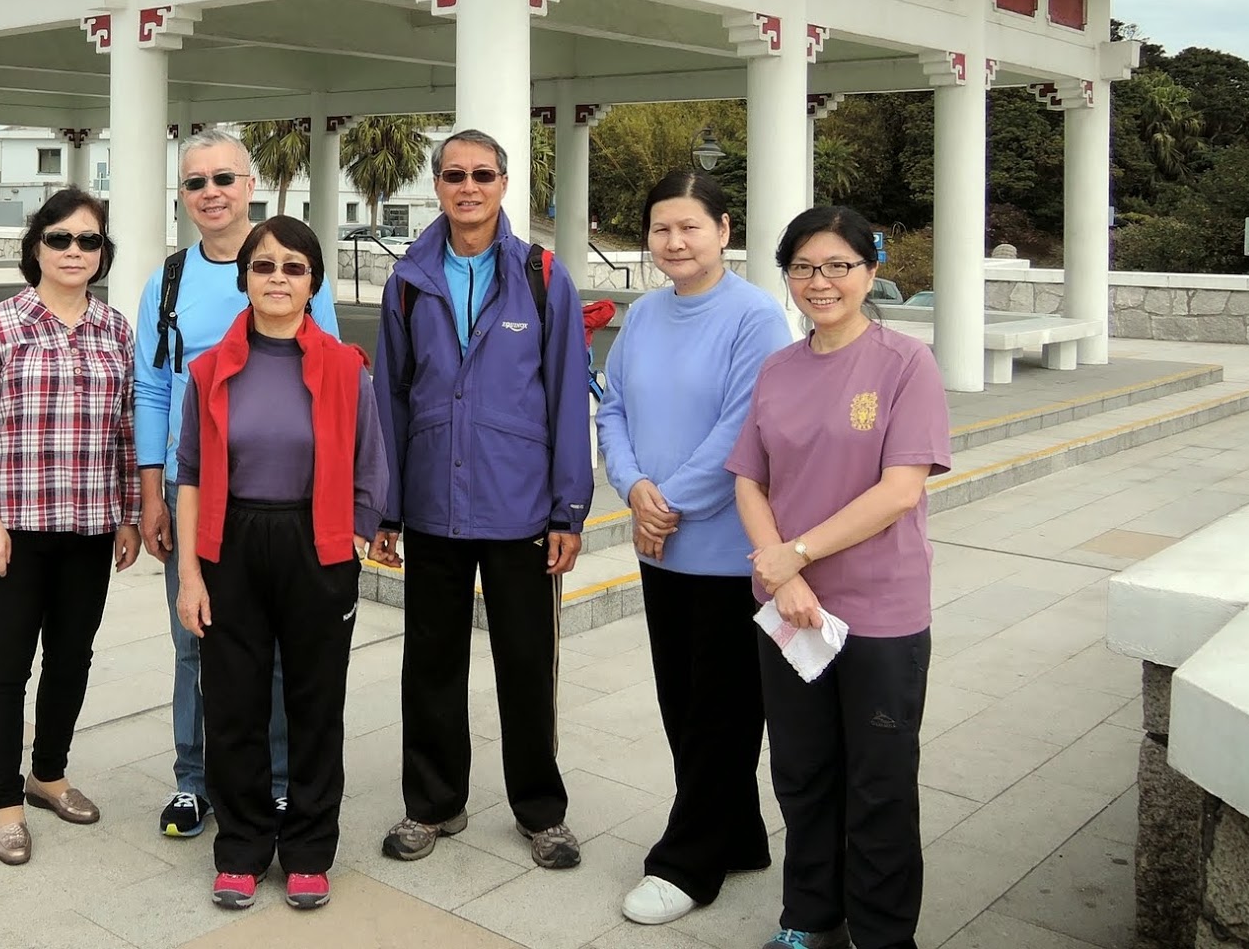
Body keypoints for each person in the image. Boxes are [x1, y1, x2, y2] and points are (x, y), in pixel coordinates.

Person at [727, 206, 952, 949]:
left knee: (879, 780)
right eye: (802, 268)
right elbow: (749, 479)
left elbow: (900, 491)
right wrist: (781, 572)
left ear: (870, 272)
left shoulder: (905, 364)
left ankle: (883, 935)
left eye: (837, 267)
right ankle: (809, 919)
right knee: (802, 771)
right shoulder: (778, 369)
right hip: (791, 610)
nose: (819, 283)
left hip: (878, 611)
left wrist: (796, 554)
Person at [370, 127, 593, 871]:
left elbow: (567, 394)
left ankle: (541, 811)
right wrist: (387, 507)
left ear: (503, 183)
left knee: (527, 665)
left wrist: (568, 509)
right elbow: (390, 398)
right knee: (430, 663)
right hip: (434, 501)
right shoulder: (408, 280)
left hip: (519, 505)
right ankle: (433, 803)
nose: (469, 187)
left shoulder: (542, 275)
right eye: (455, 175)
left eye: (483, 175)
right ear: (437, 185)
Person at [173, 216, 389, 912]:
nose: (277, 278)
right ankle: (240, 848)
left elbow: (371, 464)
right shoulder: (209, 371)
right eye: (263, 266)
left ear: (312, 283)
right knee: (232, 704)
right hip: (231, 543)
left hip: (315, 544)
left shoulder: (347, 368)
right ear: (244, 279)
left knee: (315, 706)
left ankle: (308, 851)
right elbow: (190, 473)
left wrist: (352, 540)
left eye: (294, 268)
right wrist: (190, 576)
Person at [596, 171, 793, 926]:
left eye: (690, 227)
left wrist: (667, 504)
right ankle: (737, 835)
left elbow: (744, 428)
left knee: (723, 711)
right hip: (660, 548)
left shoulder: (754, 316)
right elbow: (612, 407)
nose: (674, 242)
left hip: (726, 553)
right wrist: (634, 487)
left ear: (723, 229)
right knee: (682, 702)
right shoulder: (645, 314)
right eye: (661, 229)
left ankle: (688, 862)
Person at [135, 129, 342, 840]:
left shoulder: (293, 269)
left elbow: (331, 380)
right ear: (183, 195)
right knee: (195, 638)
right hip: (194, 493)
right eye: (195, 182)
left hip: (282, 501)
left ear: (249, 184)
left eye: (223, 178)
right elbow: (152, 390)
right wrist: (151, 492)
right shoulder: (167, 282)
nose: (211, 193)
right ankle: (194, 780)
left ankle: (277, 783)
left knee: (278, 650)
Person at [0, 188, 141, 867]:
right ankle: (6, 802)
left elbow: (126, 431)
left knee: (71, 659)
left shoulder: (116, 330)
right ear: (36, 247)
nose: (74, 251)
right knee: (7, 668)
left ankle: (48, 775)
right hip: (16, 533)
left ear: (102, 253)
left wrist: (129, 515)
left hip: (89, 529)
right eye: (60, 239)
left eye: (89, 241)